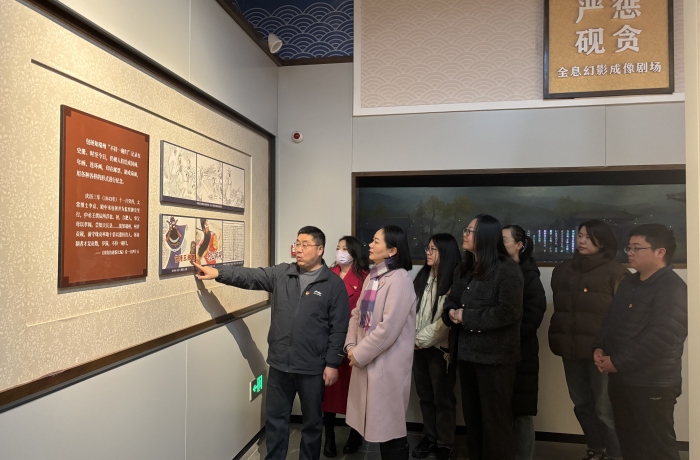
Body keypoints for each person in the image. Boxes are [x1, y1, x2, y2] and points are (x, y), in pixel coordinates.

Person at [193, 226, 350, 460]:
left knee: (312, 424)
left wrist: (332, 363)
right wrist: (217, 273)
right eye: (297, 244)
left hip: (312, 367)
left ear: (320, 249)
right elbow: (251, 276)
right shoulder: (282, 273)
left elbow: (339, 327)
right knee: (276, 421)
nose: (298, 249)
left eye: (305, 245)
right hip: (280, 364)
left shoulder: (333, 284)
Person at [593, 224, 688, 460]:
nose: (630, 253)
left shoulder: (673, 287)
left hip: (652, 383)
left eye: (637, 248)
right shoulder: (629, 283)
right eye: (629, 247)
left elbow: (662, 336)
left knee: (657, 446)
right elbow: (611, 321)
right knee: (630, 444)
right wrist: (599, 347)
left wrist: (617, 362)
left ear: (660, 252)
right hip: (622, 380)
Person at [443, 214, 524, 460]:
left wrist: (467, 316)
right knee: (473, 420)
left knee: (495, 423)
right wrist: (450, 312)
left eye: (470, 231)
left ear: (486, 237)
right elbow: (451, 299)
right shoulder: (464, 268)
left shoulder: (507, 269)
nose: (464, 234)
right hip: (466, 355)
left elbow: (508, 312)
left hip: (495, 359)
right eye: (465, 229)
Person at [549, 220, 629, 460]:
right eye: (580, 235)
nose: (582, 241)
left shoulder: (616, 272)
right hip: (570, 349)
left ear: (602, 242)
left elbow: (624, 317)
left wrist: (614, 351)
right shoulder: (563, 270)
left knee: (605, 408)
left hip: (602, 353)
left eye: (588, 237)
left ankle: (617, 455)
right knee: (581, 404)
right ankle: (595, 449)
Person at [344, 225, 417, 460]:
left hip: (387, 365)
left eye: (376, 241)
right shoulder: (373, 276)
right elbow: (356, 315)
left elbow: (388, 329)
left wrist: (359, 354)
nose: (370, 245)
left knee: (390, 429)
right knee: (377, 423)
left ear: (392, 250)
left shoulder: (400, 279)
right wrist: (351, 346)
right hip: (366, 359)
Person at [411, 233, 462, 460]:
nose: (428, 253)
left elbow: (445, 323)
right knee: (425, 395)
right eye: (427, 248)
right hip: (418, 347)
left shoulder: (454, 280)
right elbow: (411, 310)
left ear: (446, 252)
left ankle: (445, 443)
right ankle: (430, 437)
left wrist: (418, 340)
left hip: (440, 350)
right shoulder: (422, 276)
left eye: (433, 249)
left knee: (443, 398)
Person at [502, 225, 547, 460]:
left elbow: (534, 315)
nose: (499, 244)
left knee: (521, 412)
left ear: (519, 245)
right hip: (498, 353)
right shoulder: (497, 270)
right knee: (500, 410)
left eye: (504, 240)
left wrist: (505, 337)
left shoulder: (529, 275)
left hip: (521, 352)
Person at [323, 236, 369, 457]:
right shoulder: (327, 274)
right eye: (338, 248)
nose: (340, 252)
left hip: (354, 343)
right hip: (328, 340)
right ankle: (329, 436)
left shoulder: (366, 278)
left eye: (345, 249)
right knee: (328, 391)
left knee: (355, 391)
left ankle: (355, 435)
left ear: (354, 253)